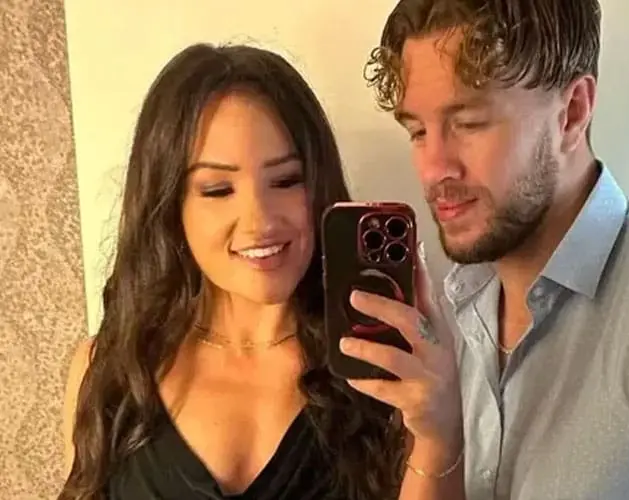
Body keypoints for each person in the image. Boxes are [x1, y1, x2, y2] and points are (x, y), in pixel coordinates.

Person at [361, 1, 629, 499]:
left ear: (572, 113)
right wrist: (438, 442)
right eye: (418, 131)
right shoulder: (454, 307)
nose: (433, 168)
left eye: (469, 122)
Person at [60, 43, 462, 500]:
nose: (260, 220)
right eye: (218, 189)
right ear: (170, 205)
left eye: (286, 180)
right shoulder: (108, 373)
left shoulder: (382, 366)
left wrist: (439, 438)